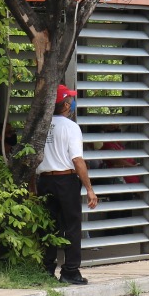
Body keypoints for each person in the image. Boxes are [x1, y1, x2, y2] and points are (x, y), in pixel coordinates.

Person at [36, 84, 98, 285]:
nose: (72, 104)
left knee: (48, 226)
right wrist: (89, 189)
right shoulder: (71, 127)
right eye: (70, 100)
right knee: (71, 226)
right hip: (65, 180)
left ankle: (46, 269)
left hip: (44, 181)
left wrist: (31, 186)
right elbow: (77, 160)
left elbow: (31, 159)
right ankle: (70, 271)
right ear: (64, 105)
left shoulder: (41, 126)